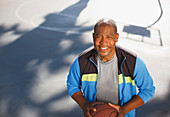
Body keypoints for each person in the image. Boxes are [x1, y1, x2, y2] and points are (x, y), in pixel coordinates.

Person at [67, 18, 155, 117]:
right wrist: (84, 105)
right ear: (93, 36)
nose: (103, 42)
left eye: (109, 37)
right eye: (99, 36)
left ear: (116, 38)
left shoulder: (132, 61)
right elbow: (72, 86)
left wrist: (124, 109)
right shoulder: (81, 61)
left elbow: (148, 89)